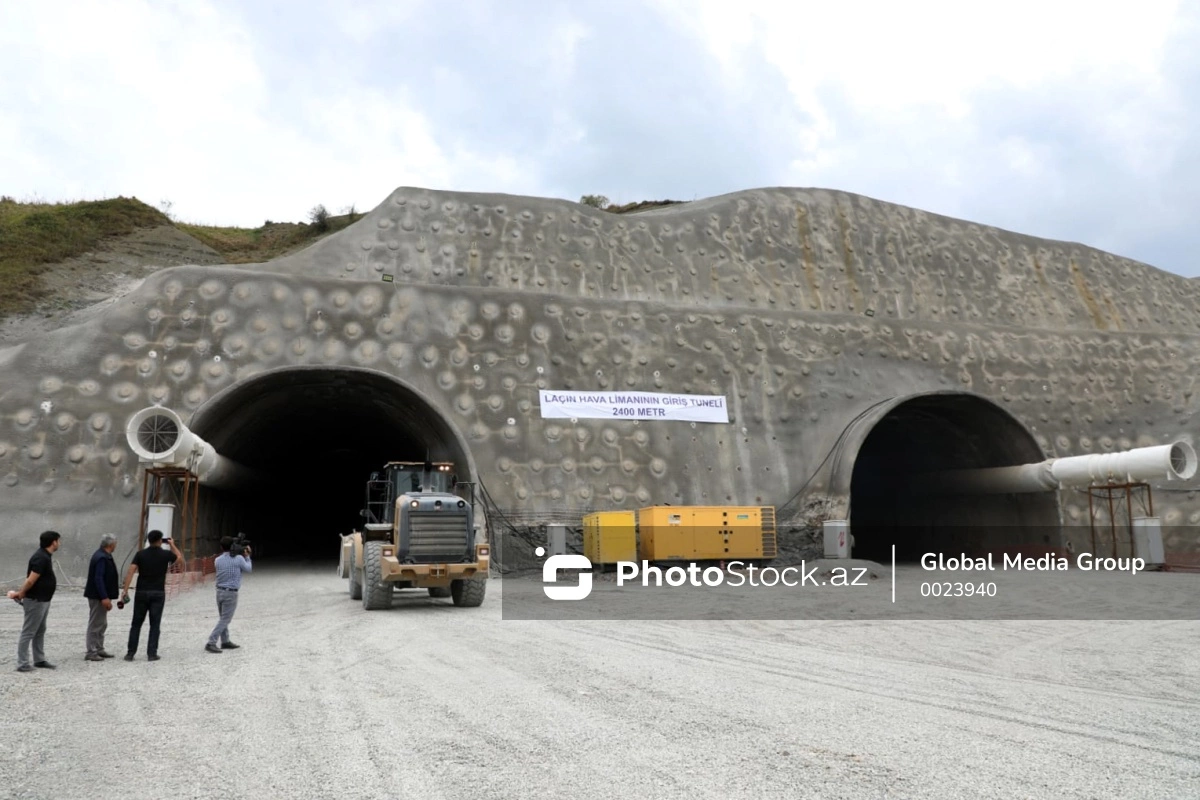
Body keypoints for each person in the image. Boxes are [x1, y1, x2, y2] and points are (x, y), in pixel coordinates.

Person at [120, 529, 183, 662]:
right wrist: (172, 545)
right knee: (155, 624)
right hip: (158, 592)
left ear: (148, 540)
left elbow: (131, 571)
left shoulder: (140, 554)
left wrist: (125, 590)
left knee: (136, 624)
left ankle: (130, 653)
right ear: (160, 540)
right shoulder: (165, 554)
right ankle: (152, 653)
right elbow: (180, 560)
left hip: (142, 592)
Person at [13, 531, 61, 672]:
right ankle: (22, 663)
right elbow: (31, 580)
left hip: (43, 600)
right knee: (29, 631)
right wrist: (21, 593)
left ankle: (39, 659)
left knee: (40, 630)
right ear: (53, 542)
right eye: (58, 541)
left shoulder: (45, 556)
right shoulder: (40, 558)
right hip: (36, 600)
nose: (59, 543)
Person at [205, 535, 253, 654]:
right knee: (225, 619)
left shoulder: (217, 560)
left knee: (223, 618)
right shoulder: (239, 559)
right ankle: (211, 641)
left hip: (219, 591)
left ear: (221, 547)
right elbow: (248, 569)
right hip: (231, 593)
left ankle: (225, 641)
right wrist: (247, 557)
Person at [83, 534, 120, 661]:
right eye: (115, 543)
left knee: (102, 623)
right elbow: (98, 578)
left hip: (100, 595)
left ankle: (99, 648)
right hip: (97, 596)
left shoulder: (104, 556)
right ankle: (91, 651)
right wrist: (104, 597)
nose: (116, 545)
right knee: (95, 623)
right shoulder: (101, 558)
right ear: (111, 545)